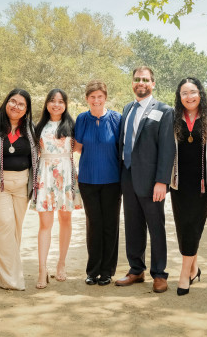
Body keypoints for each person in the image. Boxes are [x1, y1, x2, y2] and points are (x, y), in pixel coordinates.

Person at [115, 66, 175, 293]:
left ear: (153, 83)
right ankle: (136, 270)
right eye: (137, 79)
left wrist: (162, 181)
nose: (141, 83)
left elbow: (167, 149)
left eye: (145, 80)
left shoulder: (164, 110)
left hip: (152, 181)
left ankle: (159, 274)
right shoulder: (127, 108)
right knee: (132, 226)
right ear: (132, 83)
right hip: (128, 176)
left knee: (156, 227)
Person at [0, 89, 38, 291]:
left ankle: (1, 271)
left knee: (14, 230)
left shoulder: (29, 128)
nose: (16, 106)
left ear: (26, 109)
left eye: (21, 104)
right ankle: (11, 280)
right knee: (3, 226)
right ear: (6, 102)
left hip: (22, 185)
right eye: (12, 101)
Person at [169, 77, 207, 296]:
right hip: (178, 181)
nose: (189, 97)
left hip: (203, 181)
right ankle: (194, 268)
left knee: (194, 224)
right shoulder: (173, 117)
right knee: (183, 225)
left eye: (193, 92)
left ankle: (183, 274)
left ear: (200, 92)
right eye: (184, 93)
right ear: (179, 97)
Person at [32, 88, 82, 289]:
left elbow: (78, 148)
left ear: (65, 104)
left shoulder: (72, 125)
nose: (56, 104)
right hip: (45, 175)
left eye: (60, 101)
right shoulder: (38, 126)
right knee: (45, 223)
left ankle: (61, 263)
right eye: (52, 100)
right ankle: (42, 269)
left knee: (65, 219)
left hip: (66, 173)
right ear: (46, 104)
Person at [74, 80, 122, 286]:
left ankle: (107, 270)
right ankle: (92, 270)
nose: (96, 100)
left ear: (105, 98)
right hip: (87, 180)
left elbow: (122, 148)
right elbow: (77, 147)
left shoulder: (116, 119)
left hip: (112, 180)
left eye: (99, 97)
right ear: (87, 99)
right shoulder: (82, 119)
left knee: (110, 224)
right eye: (92, 97)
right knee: (94, 224)